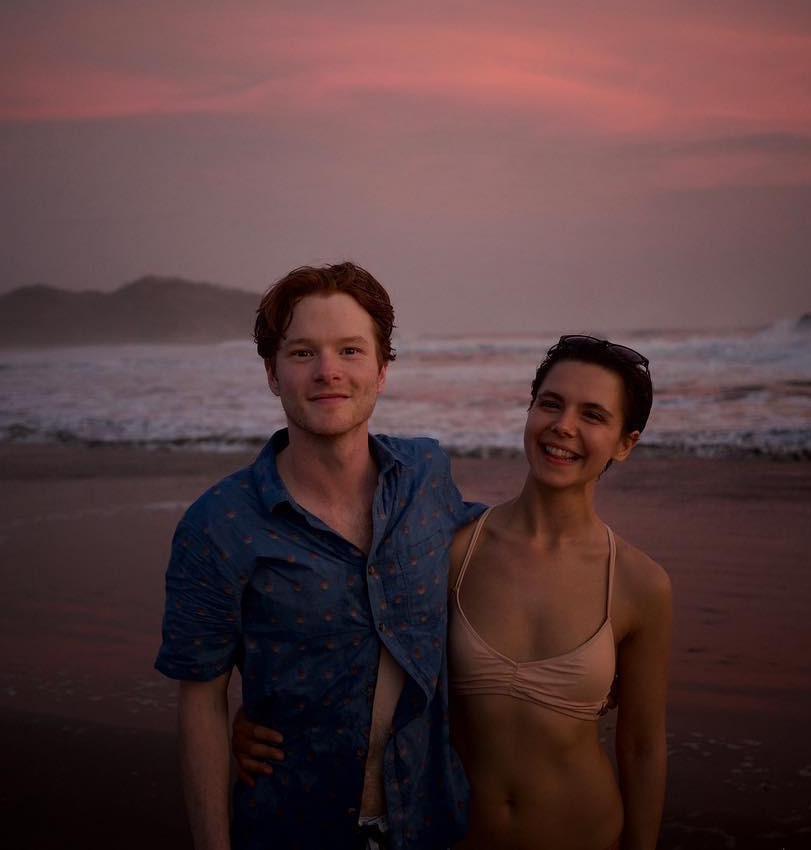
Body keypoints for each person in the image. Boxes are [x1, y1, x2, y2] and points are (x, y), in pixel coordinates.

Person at [235, 334, 672, 849]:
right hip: (454, 837)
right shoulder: (454, 549)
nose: (564, 426)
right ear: (529, 411)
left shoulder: (640, 584)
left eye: (594, 415)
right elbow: (360, 646)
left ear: (626, 441)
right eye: (550, 404)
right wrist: (258, 712)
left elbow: (642, 746)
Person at [155, 262, 482, 850]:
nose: (329, 371)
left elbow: (505, 541)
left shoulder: (426, 476)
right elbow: (201, 701)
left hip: (430, 826)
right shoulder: (219, 525)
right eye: (303, 353)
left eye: (351, 350)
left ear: (382, 370)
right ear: (272, 374)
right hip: (292, 827)